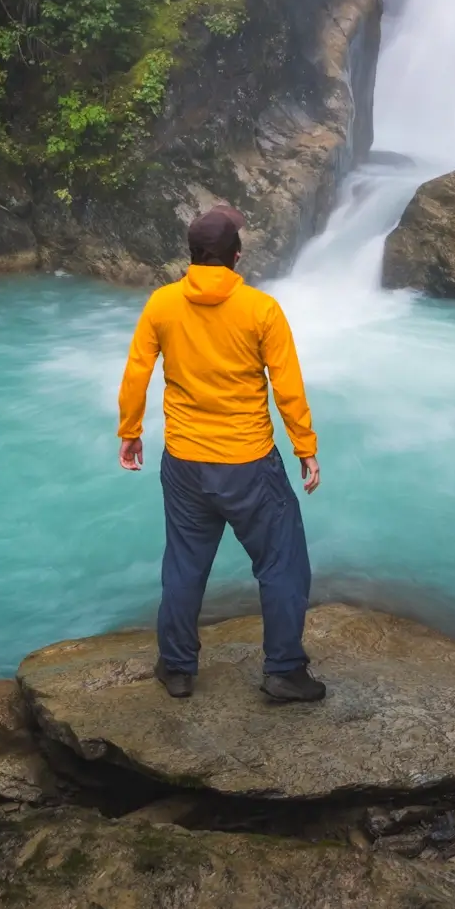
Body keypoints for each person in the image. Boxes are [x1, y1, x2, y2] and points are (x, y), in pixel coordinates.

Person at [116, 203, 325, 703]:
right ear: (236, 256)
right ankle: (283, 670)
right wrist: (305, 448)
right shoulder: (261, 309)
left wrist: (130, 430)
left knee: (185, 565)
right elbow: (287, 387)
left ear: (191, 256)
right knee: (282, 564)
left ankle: (178, 668)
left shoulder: (162, 303)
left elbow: (136, 372)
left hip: (185, 461)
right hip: (249, 463)